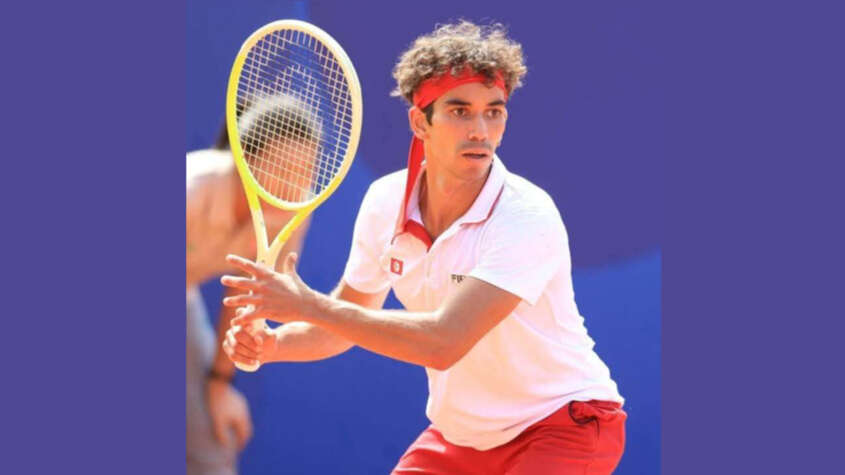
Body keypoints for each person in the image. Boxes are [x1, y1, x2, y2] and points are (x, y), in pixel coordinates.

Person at [220, 21, 626, 474]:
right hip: (462, 437)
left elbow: (443, 341)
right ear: (420, 122)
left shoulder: (526, 214)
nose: (480, 130)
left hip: (563, 424)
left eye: (494, 112)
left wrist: (309, 305)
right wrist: (272, 344)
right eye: (460, 111)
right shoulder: (384, 203)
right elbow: (340, 327)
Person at [186, 95, 316, 474]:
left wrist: (218, 386)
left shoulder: (293, 211)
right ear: (246, 161)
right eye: (283, 168)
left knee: (213, 445)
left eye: (306, 172)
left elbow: (244, 297)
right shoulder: (192, 187)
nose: (294, 187)